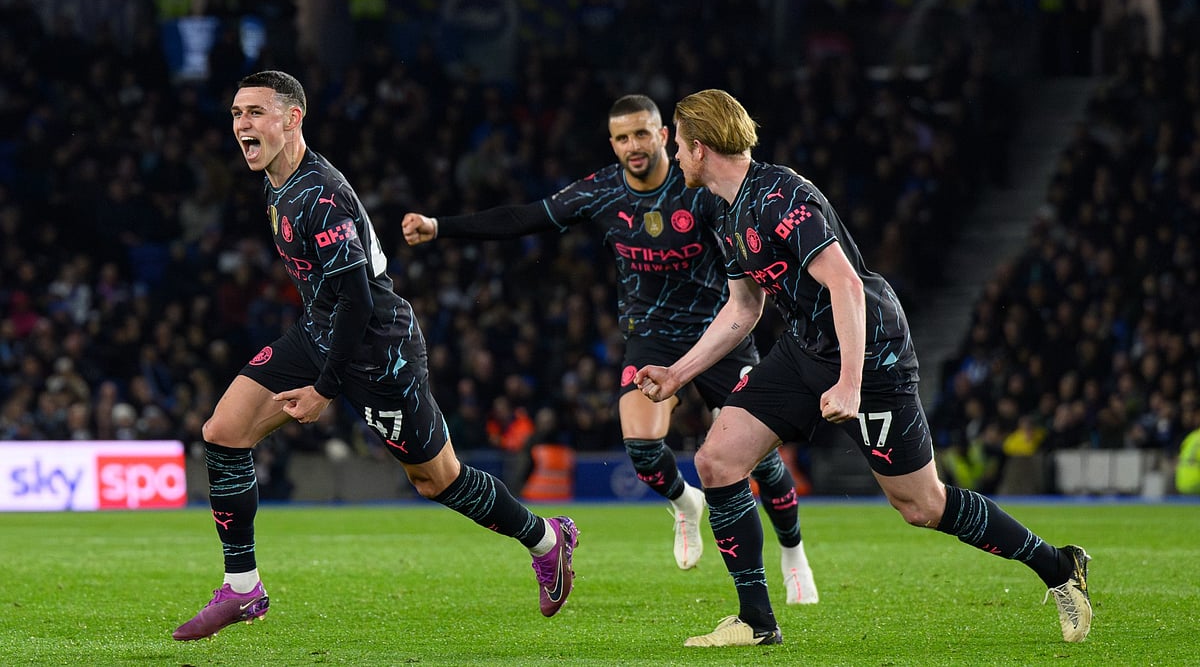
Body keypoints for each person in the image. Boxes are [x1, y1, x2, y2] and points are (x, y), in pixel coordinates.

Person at [635, 89, 1091, 648]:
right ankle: (756, 622)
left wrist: (850, 382)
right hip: (806, 347)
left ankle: (1059, 566)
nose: (673, 154)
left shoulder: (782, 196)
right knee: (717, 459)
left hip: (870, 354)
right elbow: (743, 308)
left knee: (922, 506)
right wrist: (678, 375)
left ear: (700, 147)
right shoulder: (723, 210)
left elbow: (846, 284)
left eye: (678, 144)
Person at [173, 70, 578, 642]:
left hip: (376, 347)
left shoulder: (320, 194)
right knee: (224, 431)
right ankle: (243, 587)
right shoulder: (277, 182)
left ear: (293, 119)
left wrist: (324, 390)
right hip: (322, 329)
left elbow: (360, 300)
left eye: (256, 112)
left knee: (438, 480)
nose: (242, 124)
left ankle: (545, 538)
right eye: (237, 114)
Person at [402, 94, 818, 604]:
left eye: (642, 134)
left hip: (719, 335)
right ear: (612, 144)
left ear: (664, 135)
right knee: (643, 451)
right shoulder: (602, 192)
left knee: (760, 460)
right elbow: (524, 218)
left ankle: (793, 551)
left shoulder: (700, 189)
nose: (633, 146)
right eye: (622, 138)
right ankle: (685, 502)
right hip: (649, 335)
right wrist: (441, 227)